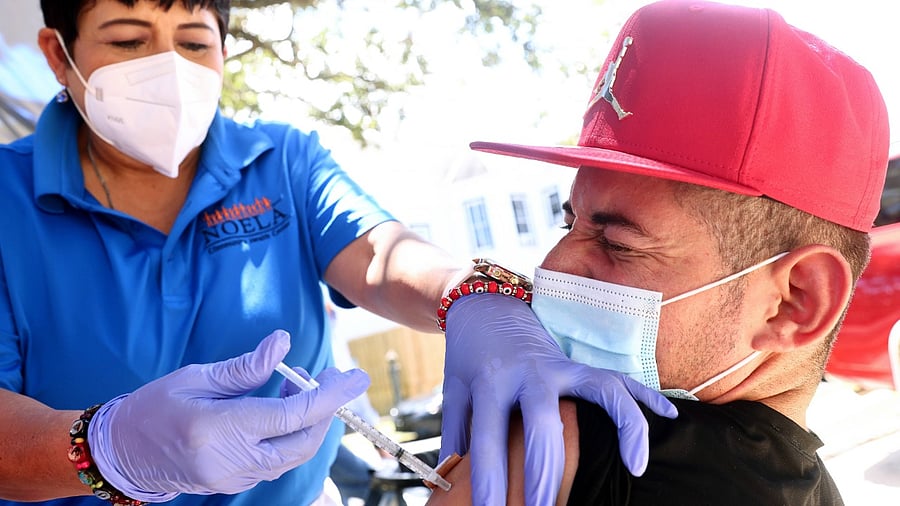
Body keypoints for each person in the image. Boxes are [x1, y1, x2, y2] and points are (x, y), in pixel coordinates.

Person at [0, 1, 677, 505]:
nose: (168, 71)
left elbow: (382, 257)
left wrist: (473, 295)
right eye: (128, 40)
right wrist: (105, 449)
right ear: (60, 55)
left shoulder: (281, 162)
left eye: (194, 42)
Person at [428, 0, 890, 504]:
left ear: (797, 300)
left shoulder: (557, 450)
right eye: (569, 222)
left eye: (616, 242)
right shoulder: (817, 491)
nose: (551, 267)